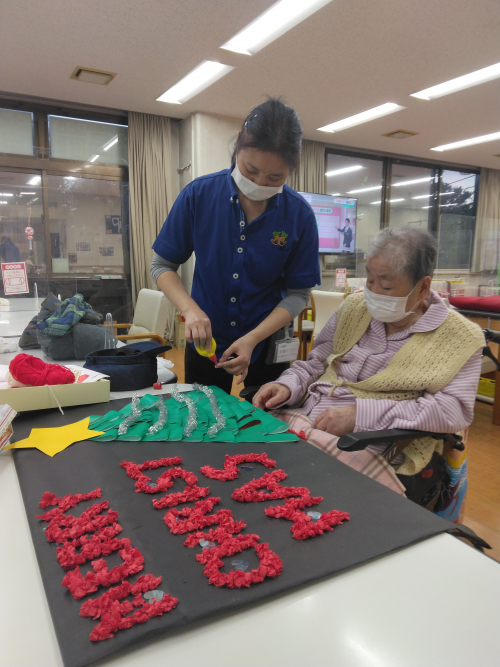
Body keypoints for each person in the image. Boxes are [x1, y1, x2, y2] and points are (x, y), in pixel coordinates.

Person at [253, 226, 484, 470]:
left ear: (423, 288)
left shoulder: (459, 337)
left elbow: (451, 411)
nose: (372, 293)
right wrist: (287, 385)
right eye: (370, 280)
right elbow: (316, 363)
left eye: (386, 287)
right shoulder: (354, 307)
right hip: (302, 418)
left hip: (364, 444)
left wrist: (360, 416)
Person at [152, 98, 321, 392]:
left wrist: (253, 338)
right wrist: (190, 310)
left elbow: (298, 293)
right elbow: (162, 265)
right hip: (205, 341)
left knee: (266, 417)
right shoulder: (199, 195)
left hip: (266, 344)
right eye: (250, 170)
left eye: (275, 177)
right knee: (202, 415)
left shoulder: (299, 215)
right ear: (238, 145)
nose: (260, 183)